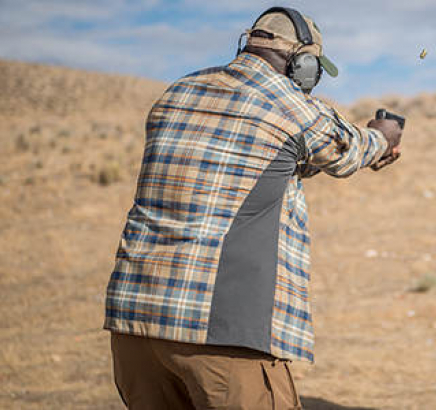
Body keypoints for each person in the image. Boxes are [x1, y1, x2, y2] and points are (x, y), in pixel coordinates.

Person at [103, 6, 403, 409]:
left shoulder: (177, 92)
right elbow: (350, 153)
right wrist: (383, 135)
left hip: (134, 323)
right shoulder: (289, 104)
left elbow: (256, 164)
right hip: (218, 330)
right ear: (303, 63)